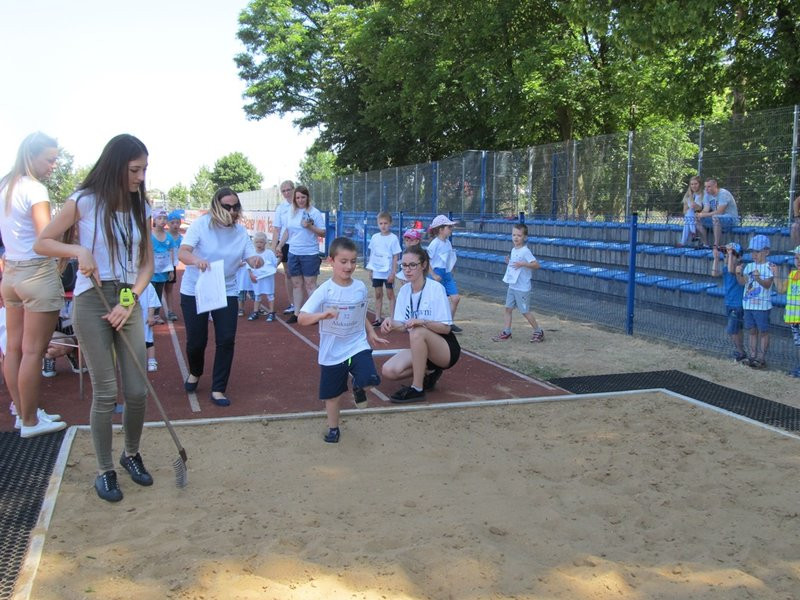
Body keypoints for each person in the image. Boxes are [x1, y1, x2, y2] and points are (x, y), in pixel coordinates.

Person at [35, 133, 154, 502]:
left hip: (125, 298)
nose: (140, 176)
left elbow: (146, 263)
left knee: (136, 390)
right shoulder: (84, 201)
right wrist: (77, 251)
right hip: (90, 300)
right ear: (116, 165)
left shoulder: (140, 205)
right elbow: (43, 241)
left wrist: (129, 300)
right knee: (105, 391)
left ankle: (131, 452)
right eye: (135, 169)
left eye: (144, 169)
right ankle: (105, 471)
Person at [0, 132, 66, 438]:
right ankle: (29, 420)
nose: (54, 165)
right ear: (33, 156)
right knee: (32, 352)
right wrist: (76, 250)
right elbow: (45, 240)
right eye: (50, 159)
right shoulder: (35, 189)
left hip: (11, 274)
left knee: (13, 349)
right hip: (36, 274)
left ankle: (24, 412)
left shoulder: (5, 185)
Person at [178, 187, 263, 406]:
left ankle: (218, 388)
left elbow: (251, 256)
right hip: (197, 288)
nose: (232, 210)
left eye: (236, 206)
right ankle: (195, 371)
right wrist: (196, 261)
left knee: (226, 339)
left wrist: (256, 261)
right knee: (197, 341)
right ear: (216, 206)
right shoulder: (201, 226)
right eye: (227, 206)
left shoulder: (241, 232)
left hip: (227, 290)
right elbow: (183, 252)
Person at [298, 237, 388, 442]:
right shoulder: (324, 290)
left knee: (371, 379)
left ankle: (359, 387)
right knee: (332, 395)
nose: (349, 266)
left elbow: (361, 312)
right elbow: (302, 318)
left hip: (356, 344)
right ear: (331, 261)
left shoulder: (360, 288)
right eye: (344, 261)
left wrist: (371, 333)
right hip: (332, 351)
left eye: (353, 261)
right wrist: (322, 315)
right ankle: (333, 429)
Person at [380, 245, 461, 403]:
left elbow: (445, 328)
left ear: (423, 265)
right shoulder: (404, 291)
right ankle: (429, 372)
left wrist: (422, 322)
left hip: (444, 348)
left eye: (412, 265)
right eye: (404, 265)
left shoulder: (436, 289)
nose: (407, 270)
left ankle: (417, 388)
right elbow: (404, 325)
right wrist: (390, 324)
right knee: (388, 371)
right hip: (421, 347)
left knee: (417, 331)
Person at [280, 185, 326, 323]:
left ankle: (314, 313)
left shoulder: (314, 212)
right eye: (298, 197)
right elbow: (287, 231)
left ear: (307, 198)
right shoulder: (291, 212)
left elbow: (323, 232)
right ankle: (296, 313)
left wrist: (310, 226)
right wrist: (280, 245)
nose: (300, 200)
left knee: (310, 284)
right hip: (294, 252)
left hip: (309, 253)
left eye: (303, 197)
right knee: (296, 284)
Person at [491, 223, 544, 342]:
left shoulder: (525, 251)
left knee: (525, 311)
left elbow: (536, 265)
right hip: (513, 286)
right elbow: (515, 265)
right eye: (514, 235)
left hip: (522, 288)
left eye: (519, 235)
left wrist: (523, 264)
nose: (516, 238)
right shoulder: (514, 250)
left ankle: (538, 331)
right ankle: (507, 332)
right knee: (508, 309)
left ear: (524, 237)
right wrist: (509, 262)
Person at [735, 234, 773, 369]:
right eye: (752, 251)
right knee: (751, 330)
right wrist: (738, 273)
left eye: (757, 251)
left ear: (766, 252)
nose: (754, 254)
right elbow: (742, 283)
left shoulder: (769, 267)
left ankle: (761, 358)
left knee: (763, 331)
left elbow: (768, 285)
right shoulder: (749, 266)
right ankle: (752, 356)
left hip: (762, 305)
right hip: (748, 304)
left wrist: (758, 279)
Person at [710, 242, 747, 362]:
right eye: (725, 254)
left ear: (739, 257)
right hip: (729, 303)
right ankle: (740, 350)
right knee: (737, 330)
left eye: (732, 254)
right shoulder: (726, 268)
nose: (727, 257)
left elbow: (732, 270)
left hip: (737, 305)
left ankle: (741, 352)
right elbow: (714, 273)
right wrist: (716, 258)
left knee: (732, 330)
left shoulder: (739, 268)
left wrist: (730, 253)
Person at [426, 214, 462, 332]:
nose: (451, 230)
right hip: (437, 274)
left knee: (455, 298)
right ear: (441, 230)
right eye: (449, 227)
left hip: (447, 274)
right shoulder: (435, 243)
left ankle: (449, 323)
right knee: (439, 302)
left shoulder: (447, 243)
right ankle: (436, 324)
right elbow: (427, 260)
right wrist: (433, 275)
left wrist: (451, 270)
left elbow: (449, 258)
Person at [366, 211, 401, 326]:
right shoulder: (375, 237)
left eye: (386, 223)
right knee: (378, 294)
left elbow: (396, 256)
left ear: (390, 223)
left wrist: (393, 272)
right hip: (377, 271)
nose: (383, 226)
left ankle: (392, 319)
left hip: (387, 272)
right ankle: (377, 318)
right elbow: (372, 254)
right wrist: (371, 270)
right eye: (381, 223)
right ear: (377, 224)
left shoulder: (393, 238)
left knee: (390, 294)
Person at [770, 245, 800, 377]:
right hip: (794, 318)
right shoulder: (793, 274)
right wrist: (776, 274)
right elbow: (781, 289)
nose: (797, 260)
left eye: (799, 258)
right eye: (796, 257)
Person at [272, 180, 295, 315]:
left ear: (293, 189)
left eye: (288, 189)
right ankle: (292, 303)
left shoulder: (301, 205)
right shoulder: (281, 208)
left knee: (304, 277)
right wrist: (274, 247)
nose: (286, 193)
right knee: (289, 273)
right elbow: (276, 229)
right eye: (283, 190)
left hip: (299, 243)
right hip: (285, 244)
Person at [150, 209, 177, 323]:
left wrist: (171, 270)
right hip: (150, 270)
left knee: (159, 292)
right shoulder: (148, 235)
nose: (162, 221)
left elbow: (171, 252)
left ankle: (156, 314)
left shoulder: (169, 237)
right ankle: (148, 313)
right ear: (154, 220)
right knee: (150, 292)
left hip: (162, 270)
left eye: (165, 218)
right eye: (159, 218)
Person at [246, 231, 279, 322]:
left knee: (270, 294)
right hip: (257, 278)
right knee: (257, 294)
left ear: (265, 243)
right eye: (257, 242)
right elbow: (248, 266)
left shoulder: (269, 253)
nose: (259, 244)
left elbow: (275, 264)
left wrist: (280, 258)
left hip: (268, 278)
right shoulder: (252, 253)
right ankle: (255, 312)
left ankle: (271, 312)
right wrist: (251, 274)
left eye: (261, 242)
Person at [697, 178, 739, 248]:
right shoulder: (707, 194)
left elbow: (720, 211)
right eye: (705, 186)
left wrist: (704, 214)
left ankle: (716, 245)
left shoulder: (723, 193)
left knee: (716, 217)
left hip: (731, 219)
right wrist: (699, 215)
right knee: (696, 220)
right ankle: (705, 244)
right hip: (716, 219)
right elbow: (706, 209)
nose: (706, 189)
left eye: (709, 186)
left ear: (715, 185)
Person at [163, 210, 183, 321]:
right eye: (172, 222)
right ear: (168, 224)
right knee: (158, 289)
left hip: (172, 267)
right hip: (160, 267)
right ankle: (154, 311)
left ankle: (170, 311)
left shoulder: (181, 239)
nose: (175, 225)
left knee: (169, 289)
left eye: (177, 222)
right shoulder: (164, 236)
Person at [140, 282, 161, 372]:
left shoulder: (148, 285)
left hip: (145, 317)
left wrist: (151, 315)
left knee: (148, 340)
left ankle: (151, 360)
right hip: (132, 317)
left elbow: (152, 301)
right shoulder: (125, 283)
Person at [679, 176, 703, 247]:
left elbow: (699, 207)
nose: (693, 186)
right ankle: (693, 233)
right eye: (692, 184)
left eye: (695, 184)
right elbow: (684, 211)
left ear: (700, 184)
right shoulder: (688, 196)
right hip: (691, 218)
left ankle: (683, 242)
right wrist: (690, 204)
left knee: (688, 218)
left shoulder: (703, 194)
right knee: (688, 215)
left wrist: (692, 203)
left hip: (701, 216)